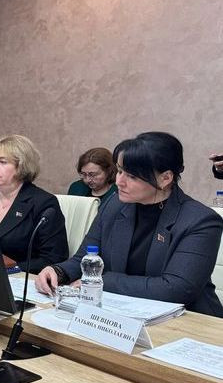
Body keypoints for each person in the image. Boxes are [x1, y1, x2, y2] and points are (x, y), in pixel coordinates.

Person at [37, 132, 223, 317]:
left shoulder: (200, 220)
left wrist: (103, 281)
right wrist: (58, 271)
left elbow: (176, 289)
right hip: (121, 314)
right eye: (119, 171)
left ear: (165, 178)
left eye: (132, 176)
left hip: (190, 321)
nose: (119, 182)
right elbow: (84, 258)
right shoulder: (114, 204)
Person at [0, 135, 69, 273]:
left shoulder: (43, 203)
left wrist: (12, 268)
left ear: (22, 166)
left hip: (21, 279)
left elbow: (54, 258)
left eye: (3, 162)